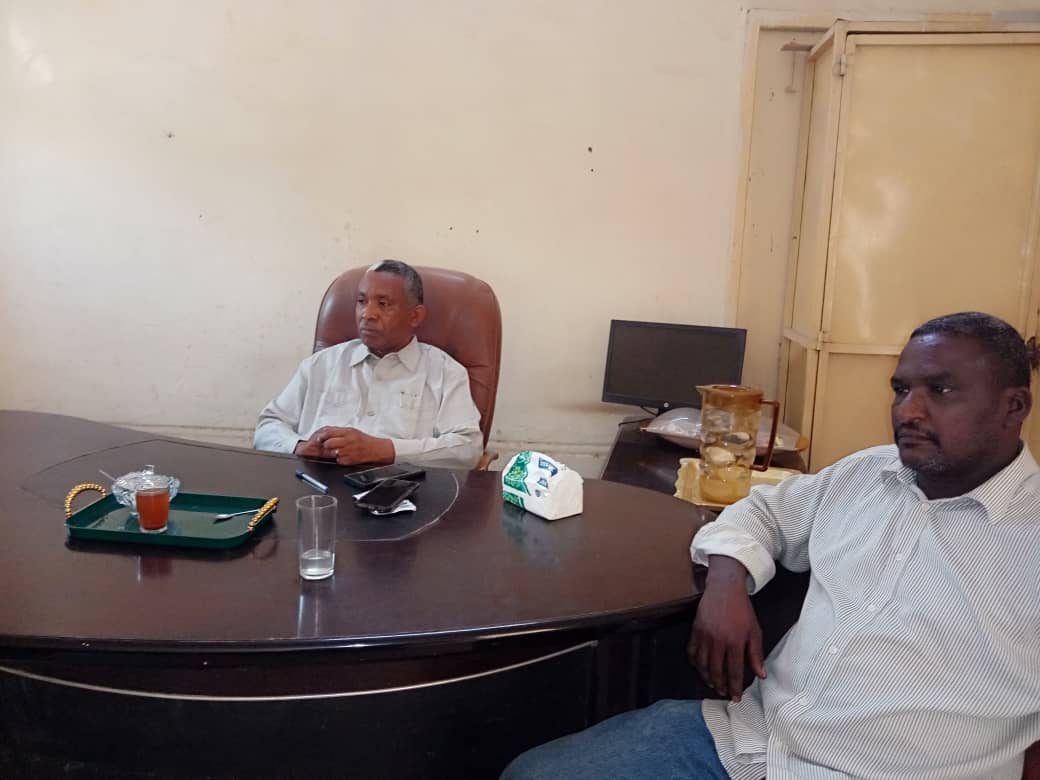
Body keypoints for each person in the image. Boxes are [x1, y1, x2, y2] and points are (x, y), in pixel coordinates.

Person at [502, 311, 1040, 780]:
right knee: (531, 773)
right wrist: (726, 581)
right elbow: (760, 512)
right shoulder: (865, 474)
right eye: (902, 390)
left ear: (1013, 407)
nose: (908, 411)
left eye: (940, 391)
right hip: (752, 742)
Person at [254, 260, 483, 469]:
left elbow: (467, 448)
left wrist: (385, 450)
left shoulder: (445, 373)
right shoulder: (321, 365)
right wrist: (299, 446)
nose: (367, 314)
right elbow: (268, 425)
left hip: (403, 493)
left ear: (415, 316)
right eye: (362, 302)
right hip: (315, 489)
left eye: (383, 304)